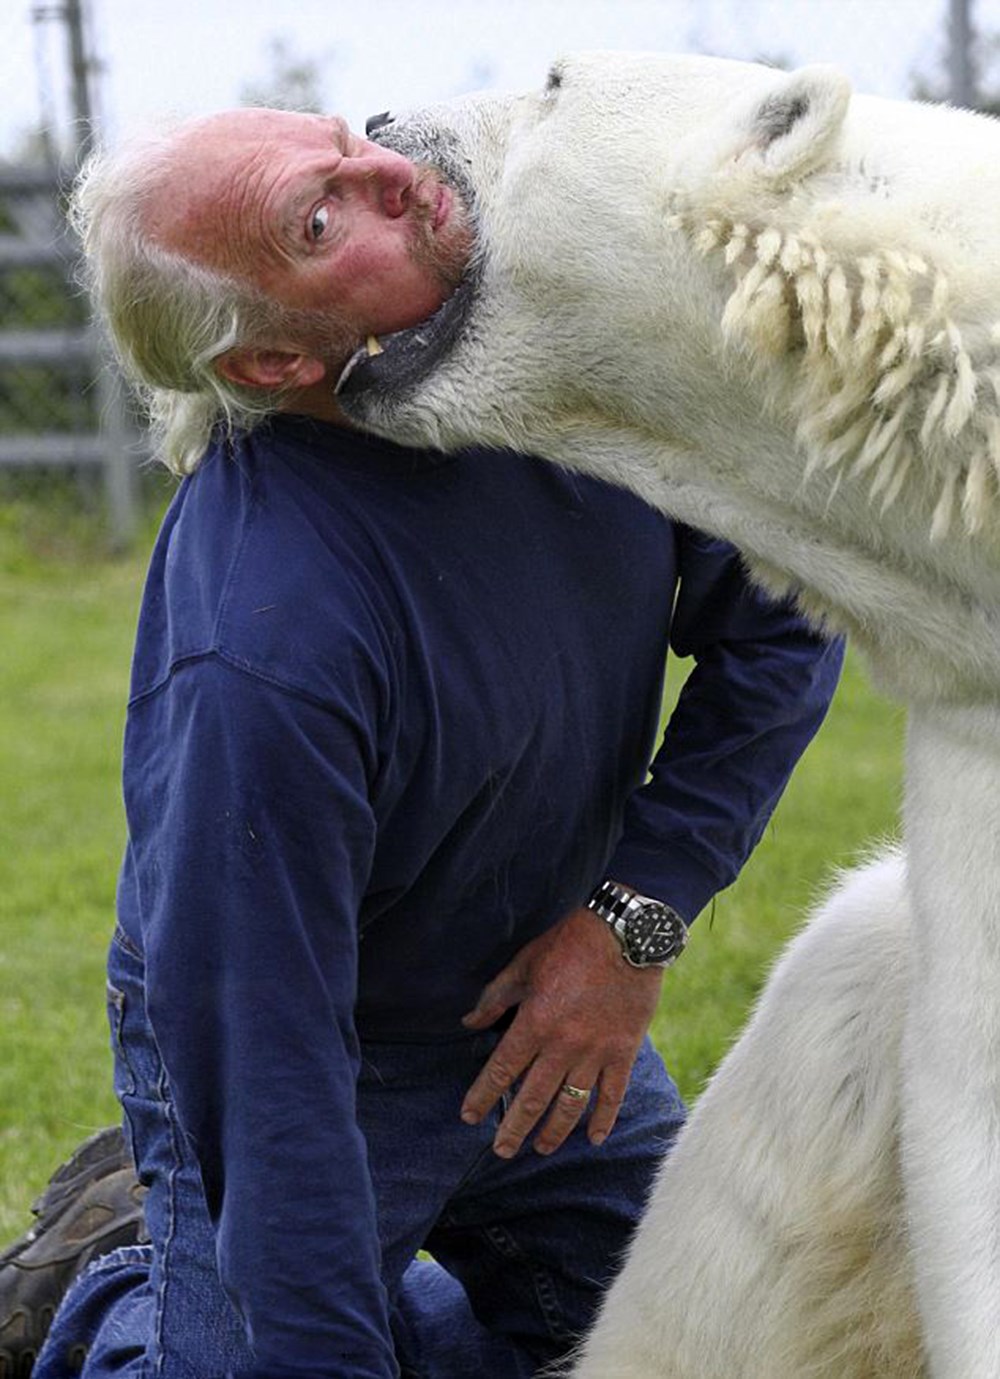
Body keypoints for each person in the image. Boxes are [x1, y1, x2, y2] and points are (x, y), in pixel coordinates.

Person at [0, 108, 844, 1379]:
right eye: (320, 218)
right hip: (300, 1042)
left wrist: (630, 920)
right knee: (283, 1350)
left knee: (739, 1344)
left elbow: (789, 617)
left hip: (544, 1007)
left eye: (346, 145)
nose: (395, 174)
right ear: (275, 363)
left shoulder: (578, 376)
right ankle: (109, 1287)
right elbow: (270, 1060)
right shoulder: (262, 648)